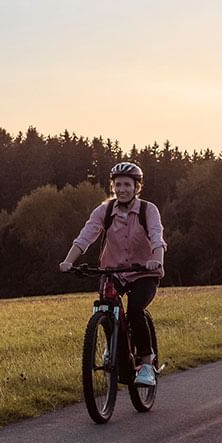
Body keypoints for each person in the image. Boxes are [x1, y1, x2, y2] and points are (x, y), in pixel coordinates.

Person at [59, 162, 167, 386]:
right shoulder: (105, 210)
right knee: (105, 305)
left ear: (137, 187)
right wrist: (68, 261)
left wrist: (156, 260)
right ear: (112, 186)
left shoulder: (148, 210)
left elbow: (157, 238)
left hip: (143, 273)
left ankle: (146, 364)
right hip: (114, 271)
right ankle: (113, 344)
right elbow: (85, 236)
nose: (122, 189)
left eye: (127, 184)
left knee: (135, 311)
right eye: (118, 185)